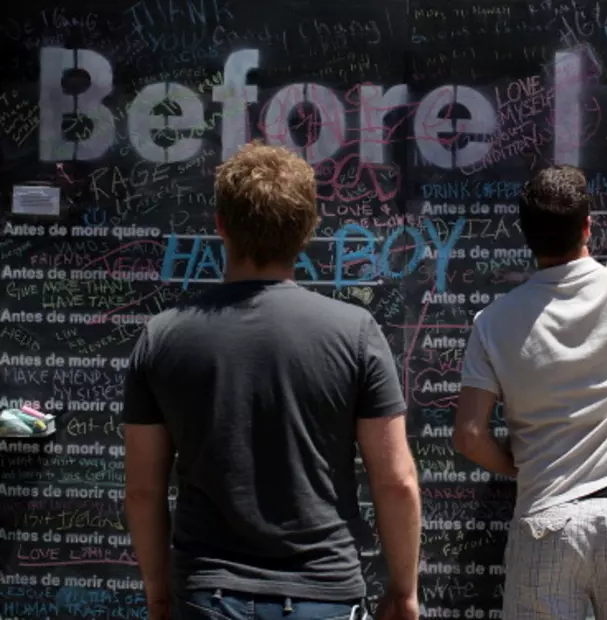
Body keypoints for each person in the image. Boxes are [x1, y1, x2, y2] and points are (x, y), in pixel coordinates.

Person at [122, 142, 421, 620]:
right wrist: (403, 592)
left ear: (220, 226)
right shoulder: (355, 332)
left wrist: (159, 595)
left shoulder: (163, 336)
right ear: (306, 231)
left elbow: (142, 490)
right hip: (324, 594)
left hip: (207, 596)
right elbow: (396, 481)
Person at [452, 85, 607, 619]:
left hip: (546, 514)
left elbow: (468, 436)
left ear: (527, 236)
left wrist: (527, 466)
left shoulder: (493, 323)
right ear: (587, 226)